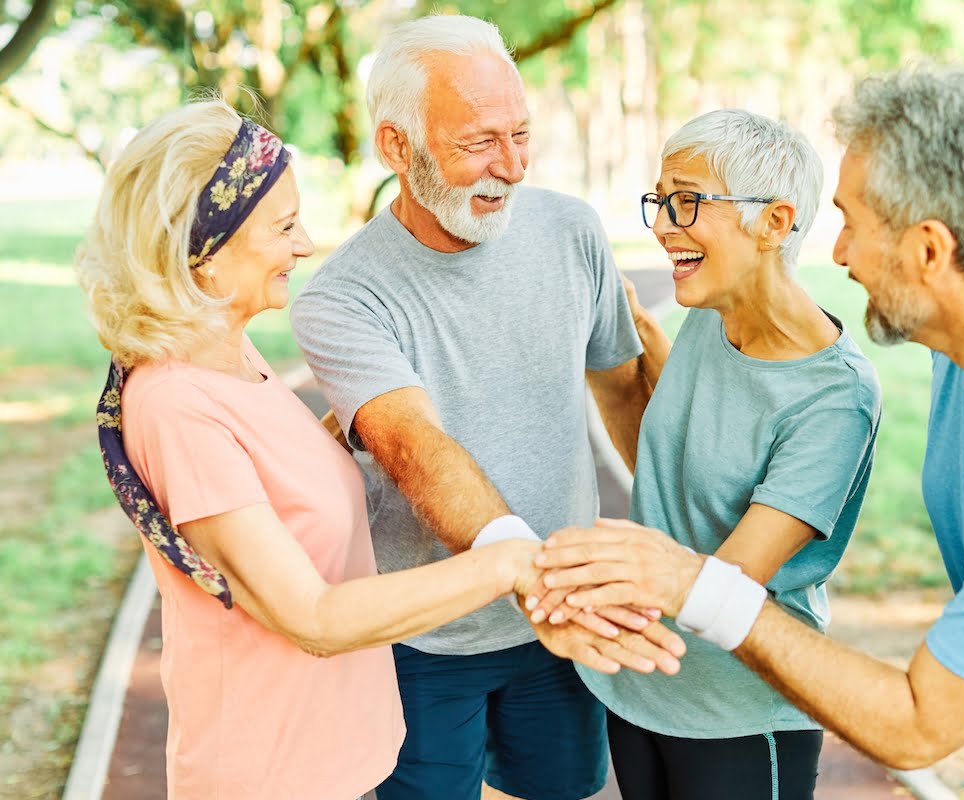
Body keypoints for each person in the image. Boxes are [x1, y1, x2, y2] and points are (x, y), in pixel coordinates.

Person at [532, 65, 964, 800]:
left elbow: (918, 725)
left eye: (852, 223)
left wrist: (688, 582)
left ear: (930, 251)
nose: (839, 252)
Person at [76, 99, 681, 800]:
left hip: (331, 753)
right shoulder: (179, 404)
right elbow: (313, 617)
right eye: (282, 227)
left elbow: (284, 475)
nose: (303, 244)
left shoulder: (227, 354)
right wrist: (509, 560)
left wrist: (397, 399)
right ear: (202, 252)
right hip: (268, 771)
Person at [288, 15, 664, 800]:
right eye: (479, 143)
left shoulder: (571, 231)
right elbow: (411, 443)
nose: (513, 166)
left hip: (558, 619)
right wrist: (527, 573)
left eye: (521, 134)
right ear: (396, 146)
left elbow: (622, 386)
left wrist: (667, 541)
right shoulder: (344, 296)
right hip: (422, 638)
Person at [531, 109, 880, 800]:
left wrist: (573, 585)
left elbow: (731, 580)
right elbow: (665, 469)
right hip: (643, 687)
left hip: (740, 712)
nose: (662, 224)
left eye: (687, 201)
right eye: (661, 199)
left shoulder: (833, 397)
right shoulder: (707, 316)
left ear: (775, 223)